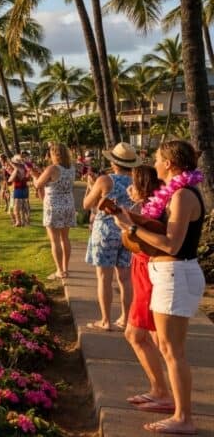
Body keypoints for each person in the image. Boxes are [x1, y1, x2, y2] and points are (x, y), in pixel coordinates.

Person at [113, 141, 206, 435]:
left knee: (172, 351)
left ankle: (184, 418)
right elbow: (164, 234)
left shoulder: (181, 196)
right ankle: (176, 409)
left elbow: (171, 244)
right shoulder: (178, 193)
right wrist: (131, 219)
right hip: (169, 274)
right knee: (167, 348)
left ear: (169, 162)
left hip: (175, 274)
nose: (153, 165)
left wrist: (131, 228)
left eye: (156, 159)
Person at [122, 165, 172, 416]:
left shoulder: (149, 212)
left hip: (147, 275)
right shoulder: (151, 208)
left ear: (141, 186)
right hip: (143, 272)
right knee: (152, 337)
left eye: (132, 184)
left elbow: (146, 243)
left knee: (136, 335)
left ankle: (162, 391)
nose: (129, 188)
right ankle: (158, 389)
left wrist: (127, 223)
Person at [82, 142, 139, 331]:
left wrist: (91, 187)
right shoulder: (137, 181)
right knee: (125, 278)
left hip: (105, 231)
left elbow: (87, 204)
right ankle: (125, 317)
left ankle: (106, 320)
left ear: (114, 162)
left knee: (104, 278)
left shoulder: (105, 180)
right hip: (127, 231)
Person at [35, 143, 76, 279]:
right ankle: (66, 268)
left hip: (54, 205)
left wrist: (34, 175)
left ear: (54, 154)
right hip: (68, 204)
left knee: (55, 241)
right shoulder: (71, 168)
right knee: (65, 238)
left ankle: (59, 270)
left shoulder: (52, 168)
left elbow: (38, 184)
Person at [9, 155, 31, 227]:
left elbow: (10, 180)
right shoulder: (25, 168)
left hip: (18, 189)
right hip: (24, 188)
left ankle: (19, 222)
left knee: (17, 207)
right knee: (24, 206)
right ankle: (25, 221)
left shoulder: (16, 169)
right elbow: (28, 177)